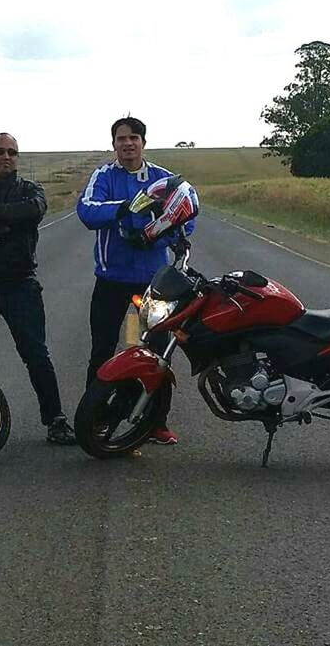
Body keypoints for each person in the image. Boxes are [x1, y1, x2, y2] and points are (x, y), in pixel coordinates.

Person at [0, 133, 76, 445]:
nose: (7, 157)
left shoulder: (30, 189)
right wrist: (5, 223)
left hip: (21, 285)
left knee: (36, 354)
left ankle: (56, 420)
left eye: (13, 152)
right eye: (0, 151)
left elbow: (33, 211)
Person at [76, 117, 196, 445]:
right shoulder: (104, 176)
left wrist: (155, 238)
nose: (127, 144)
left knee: (157, 354)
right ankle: (95, 418)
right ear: (113, 144)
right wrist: (126, 208)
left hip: (153, 284)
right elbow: (87, 211)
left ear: (143, 142)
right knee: (102, 351)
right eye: (121, 139)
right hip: (111, 281)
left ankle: (156, 422)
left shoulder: (163, 179)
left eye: (133, 138)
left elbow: (184, 221)